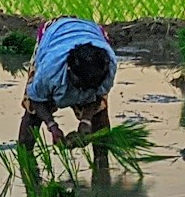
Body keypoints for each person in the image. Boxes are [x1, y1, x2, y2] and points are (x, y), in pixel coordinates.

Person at [17, 17, 118, 149]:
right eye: (81, 85)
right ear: (69, 69)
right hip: (55, 33)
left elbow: (99, 95)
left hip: (90, 31)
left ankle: (102, 162)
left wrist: (86, 121)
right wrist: (52, 126)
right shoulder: (49, 71)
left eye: (89, 87)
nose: (83, 91)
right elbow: (36, 99)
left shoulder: (107, 66)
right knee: (32, 115)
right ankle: (25, 157)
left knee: (99, 117)